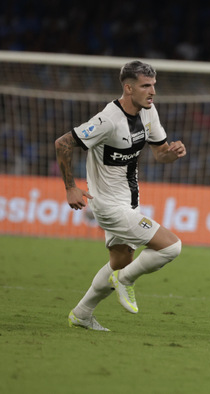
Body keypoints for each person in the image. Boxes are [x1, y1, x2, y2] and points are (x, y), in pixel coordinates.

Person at [55, 61, 186, 331]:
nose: (152, 92)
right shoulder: (108, 120)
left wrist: (170, 154)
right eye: (145, 86)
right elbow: (63, 143)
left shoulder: (148, 112)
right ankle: (125, 280)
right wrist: (70, 186)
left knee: (120, 261)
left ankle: (82, 313)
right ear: (128, 88)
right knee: (171, 247)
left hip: (128, 202)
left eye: (153, 85)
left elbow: (160, 153)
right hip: (109, 207)